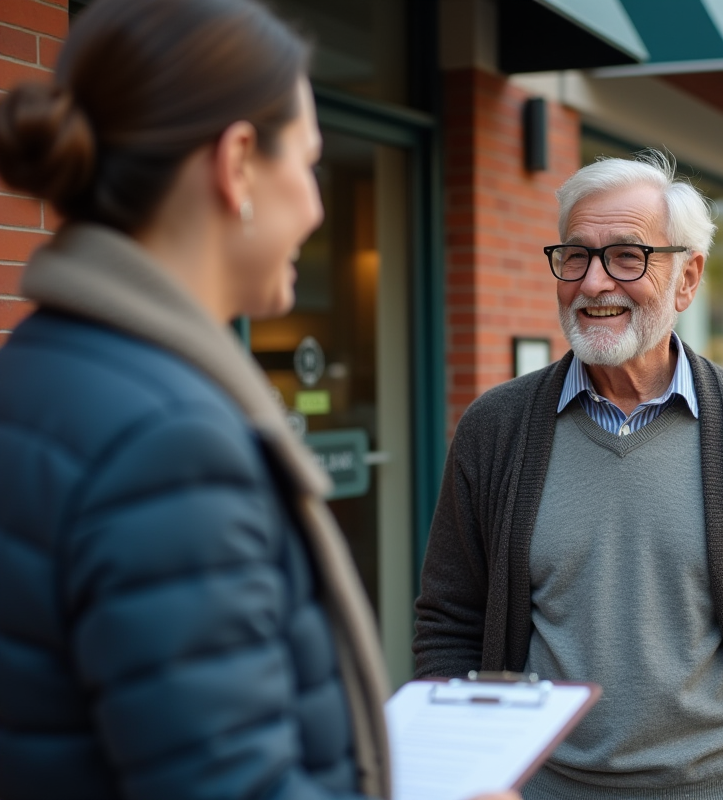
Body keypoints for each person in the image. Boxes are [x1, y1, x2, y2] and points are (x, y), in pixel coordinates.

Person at [0, 2, 516, 799]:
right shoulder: (169, 443)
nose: (315, 205)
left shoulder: (39, 371)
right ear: (237, 162)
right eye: (308, 163)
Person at [414, 151, 723, 800]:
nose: (594, 282)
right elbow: (449, 620)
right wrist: (465, 772)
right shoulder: (495, 429)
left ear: (687, 279)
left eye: (627, 256)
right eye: (575, 255)